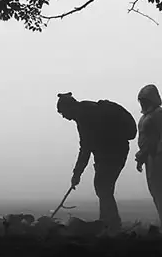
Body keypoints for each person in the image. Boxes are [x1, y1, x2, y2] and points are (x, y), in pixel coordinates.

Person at [56, 92, 137, 230]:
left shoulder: (85, 116)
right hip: (114, 153)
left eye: (63, 112)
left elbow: (85, 149)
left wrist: (77, 174)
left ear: (70, 107)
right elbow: (88, 146)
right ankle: (107, 222)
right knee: (103, 187)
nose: (64, 116)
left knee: (102, 187)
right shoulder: (87, 111)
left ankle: (112, 224)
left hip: (112, 154)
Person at [135, 84, 162, 230]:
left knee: (158, 188)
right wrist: (141, 157)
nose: (143, 103)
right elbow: (145, 139)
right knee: (154, 189)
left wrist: (159, 152)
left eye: (145, 100)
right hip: (149, 156)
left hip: (158, 156)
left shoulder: (160, 114)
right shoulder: (145, 117)